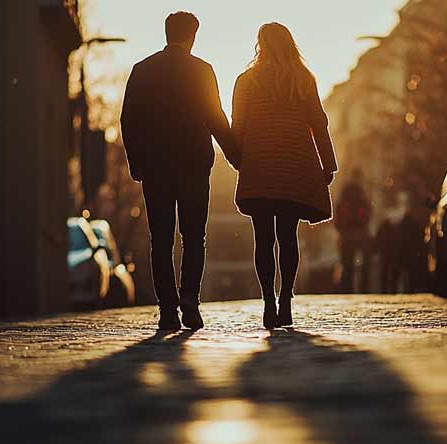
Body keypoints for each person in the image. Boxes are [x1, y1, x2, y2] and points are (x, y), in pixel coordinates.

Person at [121, 12, 239, 331]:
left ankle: (168, 310)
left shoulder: (143, 70)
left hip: (156, 168)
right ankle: (190, 300)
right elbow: (216, 118)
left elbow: (128, 120)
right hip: (193, 167)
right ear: (193, 36)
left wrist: (136, 163)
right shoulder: (202, 71)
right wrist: (237, 156)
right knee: (194, 237)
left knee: (160, 239)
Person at [232, 23, 337, 329]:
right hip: (295, 168)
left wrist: (240, 162)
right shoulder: (303, 79)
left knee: (262, 239)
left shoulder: (246, 80)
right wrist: (327, 164)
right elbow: (319, 123)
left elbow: (238, 126)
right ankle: (286, 301)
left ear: (260, 44)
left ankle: (268, 302)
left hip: (260, 169)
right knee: (287, 237)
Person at [335, 174, 372, 293]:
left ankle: (347, 289)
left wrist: (340, 228)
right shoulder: (361, 195)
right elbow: (368, 211)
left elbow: (339, 212)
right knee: (365, 263)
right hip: (360, 232)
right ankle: (364, 287)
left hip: (346, 233)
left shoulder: (345, 195)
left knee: (347, 264)